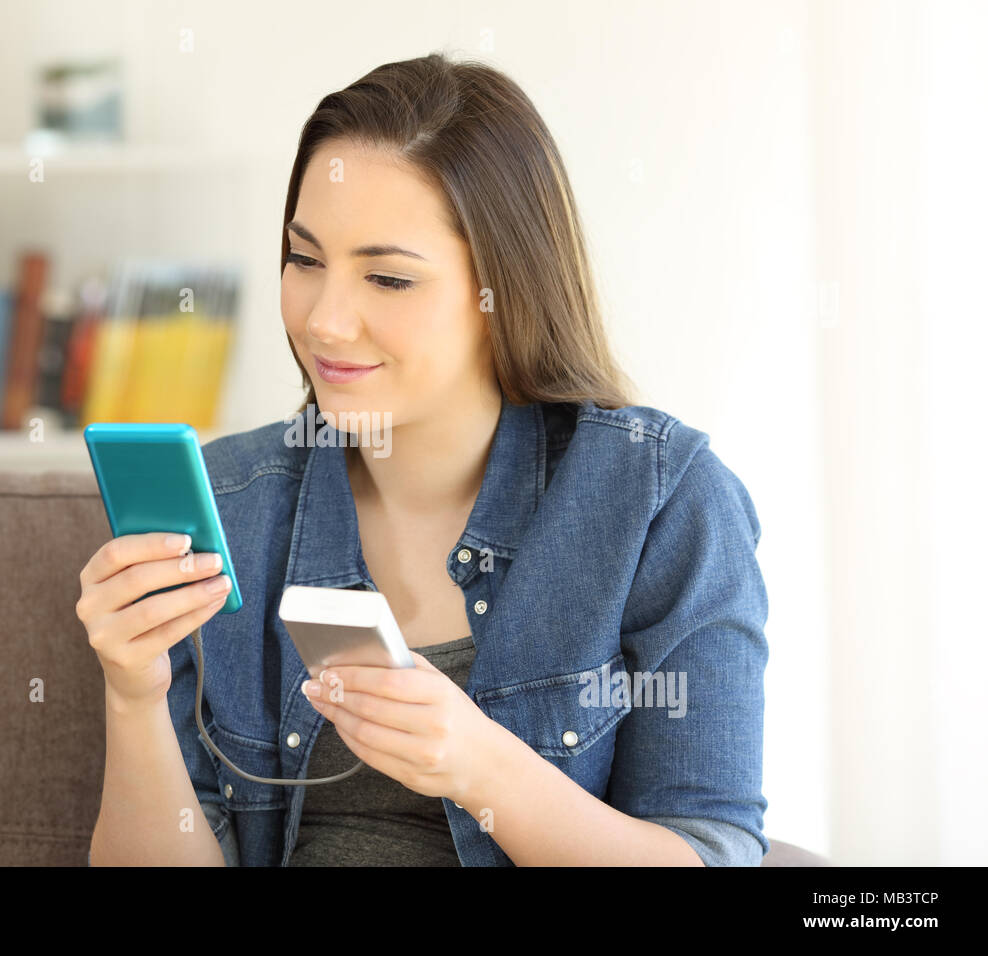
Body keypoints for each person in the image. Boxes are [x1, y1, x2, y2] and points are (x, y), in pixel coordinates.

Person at [80, 51, 768, 866]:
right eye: (305, 260)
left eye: (389, 279)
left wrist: (480, 767)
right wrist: (134, 697)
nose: (326, 321)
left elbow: (712, 850)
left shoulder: (658, 502)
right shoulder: (235, 504)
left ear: (504, 291)